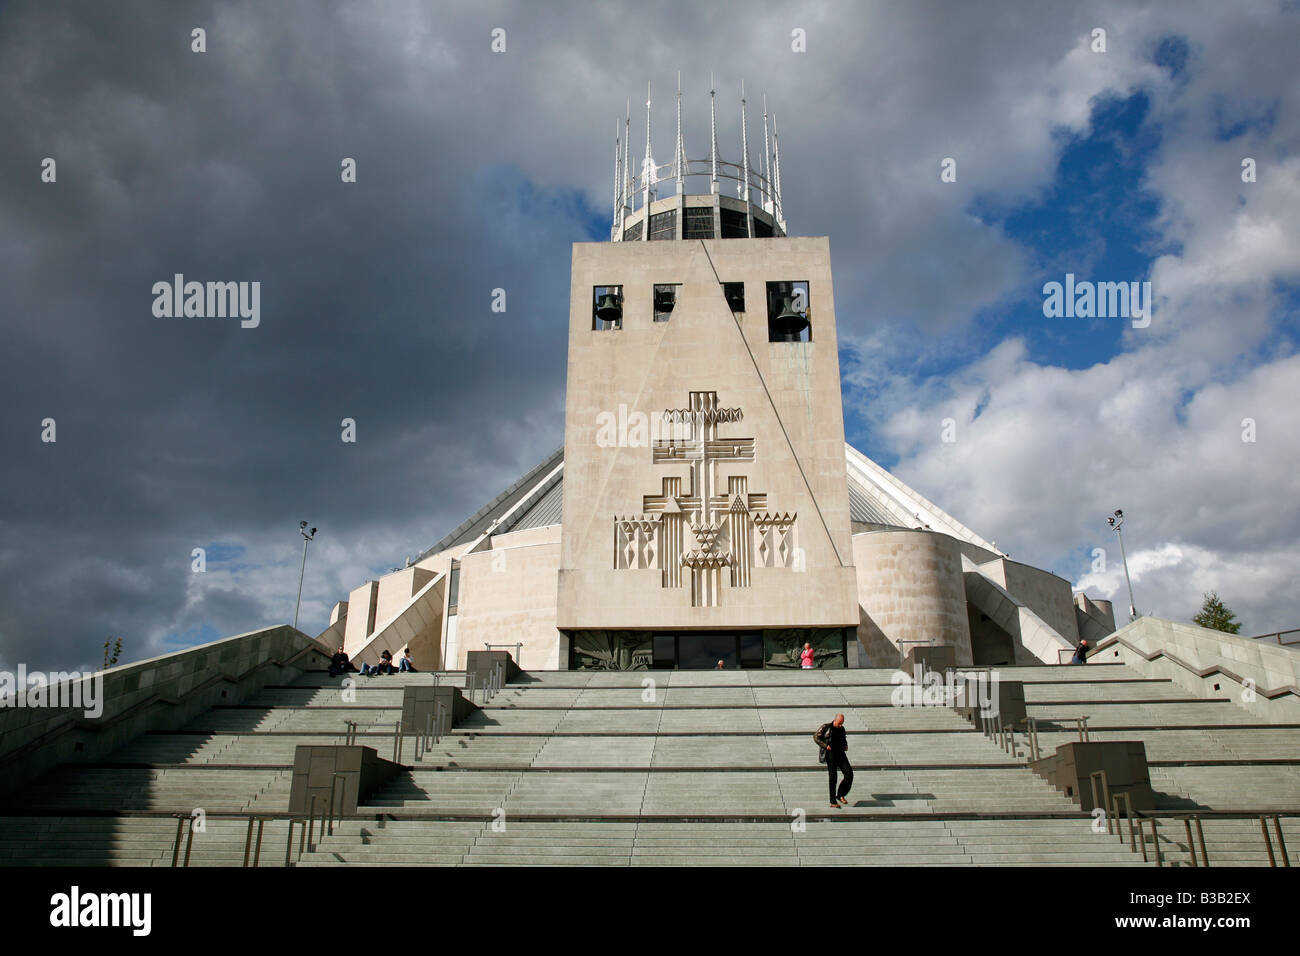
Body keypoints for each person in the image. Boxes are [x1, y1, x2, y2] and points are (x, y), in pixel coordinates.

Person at [815, 713, 853, 809]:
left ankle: (841, 794)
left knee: (849, 774)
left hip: (841, 754)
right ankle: (833, 801)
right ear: (835, 720)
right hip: (830, 754)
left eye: (842, 723)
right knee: (833, 778)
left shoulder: (842, 729)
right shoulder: (826, 727)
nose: (840, 725)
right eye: (839, 723)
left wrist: (846, 745)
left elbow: (844, 739)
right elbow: (816, 737)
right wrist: (825, 745)